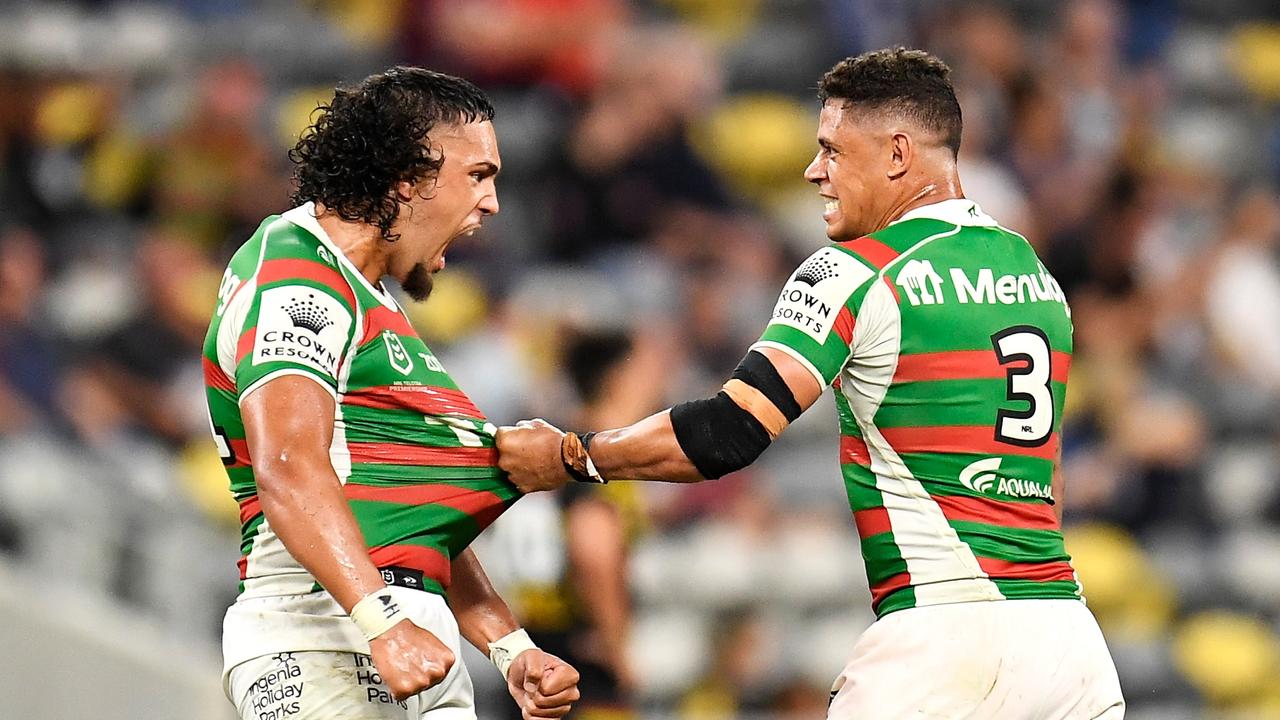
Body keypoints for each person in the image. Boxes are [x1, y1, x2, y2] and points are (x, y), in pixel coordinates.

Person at [496, 48, 1125, 719]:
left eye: (831, 149)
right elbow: (1044, 482)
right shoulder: (1034, 273)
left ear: (897, 153)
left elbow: (727, 433)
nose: (813, 171)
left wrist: (571, 455)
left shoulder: (856, 271)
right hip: (1068, 645)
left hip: (942, 640)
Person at [202, 67, 580, 720]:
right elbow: (289, 467)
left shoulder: (360, 293)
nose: (491, 203)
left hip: (394, 632)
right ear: (409, 179)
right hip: (323, 631)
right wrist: (382, 622)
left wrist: (509, 647)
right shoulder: (300, 282)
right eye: (479, 175)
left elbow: (415, 513)